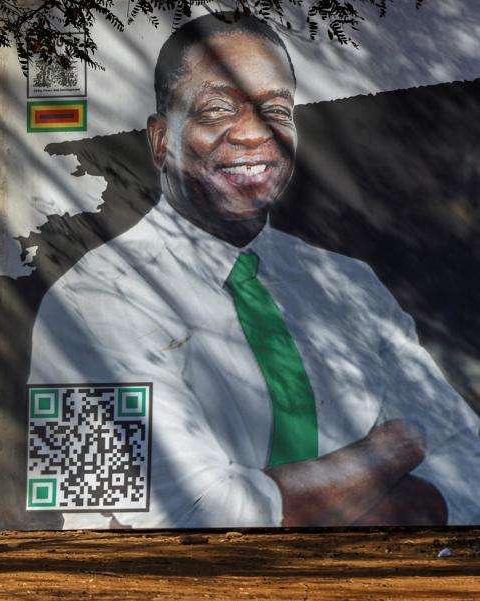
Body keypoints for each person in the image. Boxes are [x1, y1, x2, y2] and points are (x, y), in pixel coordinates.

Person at [28, 12, 480, 528]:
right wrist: (393, 452)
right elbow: (185, 516)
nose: (252, 133)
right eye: (217, 109)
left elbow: (467, 463)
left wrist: (328, 502)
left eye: (276, 110)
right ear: (160, 140)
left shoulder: (350, 285)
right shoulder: (93, 298)